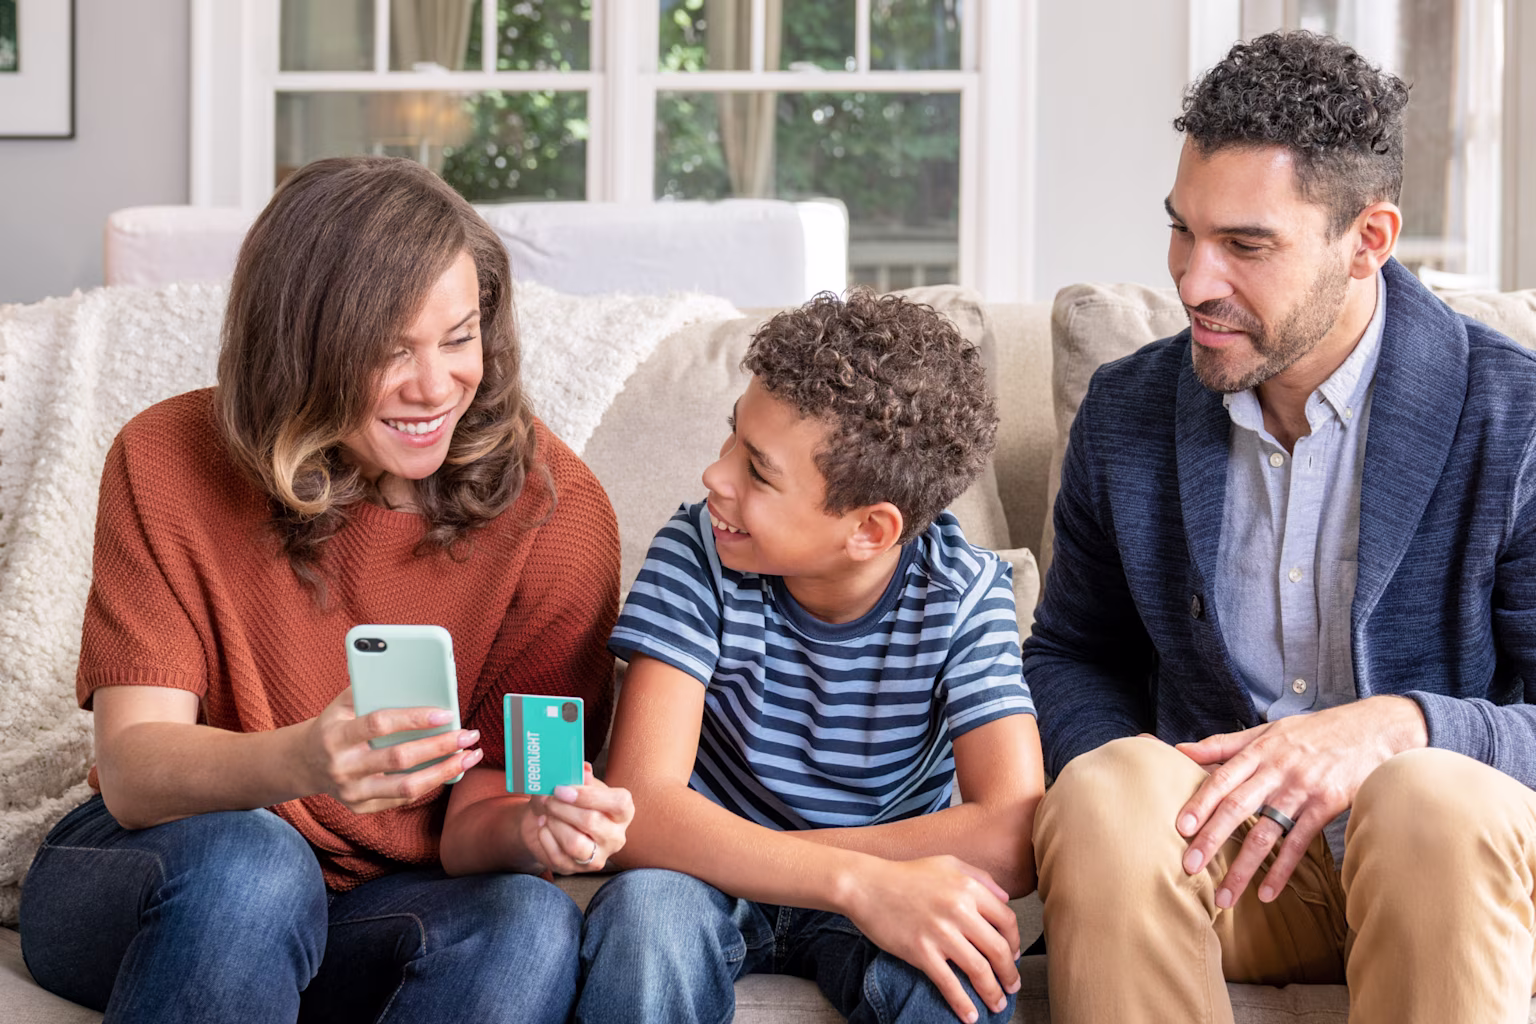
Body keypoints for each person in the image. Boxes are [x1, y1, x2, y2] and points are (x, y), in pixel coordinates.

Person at [19, 156, 634, 1024]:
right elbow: (134, 771)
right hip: (165, 865)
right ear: (300, 348)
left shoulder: (555, 517)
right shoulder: (164, 457)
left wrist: (536, 830)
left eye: (459, 338)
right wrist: (304, 760)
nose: (435, 387)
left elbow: (481, 813)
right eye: (389, 352)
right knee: (256, 869)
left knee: (527, 923)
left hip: (380, 902)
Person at [1024, 29, 1536, 1024]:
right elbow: (1071, 657)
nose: (1193, 281)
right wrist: (1151, 768)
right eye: (1183, 230)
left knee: (1425, 795)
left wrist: (1404, 725)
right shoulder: (1126, 412)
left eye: (1247, 246)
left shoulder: (1515, 418)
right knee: (1105, 789)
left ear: (1368, 241)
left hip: (1457, 867)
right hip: (1236, 872)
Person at [576, 289, 1043, 1024]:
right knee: (645, 918)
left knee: (962, 968)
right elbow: (641, 807)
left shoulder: (964, 592)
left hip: (828, 870)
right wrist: (849, 879)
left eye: (758, 472)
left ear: (869, 529)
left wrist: (832, 876)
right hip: (707, 881)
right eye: (732, 438)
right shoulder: (698, 552)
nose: (715, 477)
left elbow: (1012, 833)